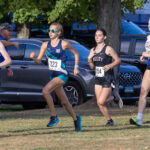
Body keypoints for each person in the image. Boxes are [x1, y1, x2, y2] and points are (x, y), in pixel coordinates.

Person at [30, 22, 82, 132]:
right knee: (65, 102)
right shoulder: (45, 45)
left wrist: (76, 67)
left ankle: (54, 116)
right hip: (53, 75)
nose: (50, 32)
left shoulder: (64, 44)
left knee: (45, 91)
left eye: (53, 31)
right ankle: (76, 119)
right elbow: (39, 61)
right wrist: (34, 58)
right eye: (49, 30)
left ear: (59, 32)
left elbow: (76, 53)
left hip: (62, 74)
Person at [88, 28, 120, 126]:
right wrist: (89, 58)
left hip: (107, 78)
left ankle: (114, 97)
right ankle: (110, 121)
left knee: (101, 101)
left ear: (104, 37)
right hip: (98, 78)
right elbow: (92, 66)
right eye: (96, 35)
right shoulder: (92, 50)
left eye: (99, 35)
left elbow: (118, 60)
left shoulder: (108, 49)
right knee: (99, 103)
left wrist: (110, 65)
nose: (97, 37)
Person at [130, 18, 150, 126]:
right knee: (143, 91)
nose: (149, 25)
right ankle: (139, 119)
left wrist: (146, 55)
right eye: (148, 23)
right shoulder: (148, 37)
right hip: (149, 67)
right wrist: (144, 56)